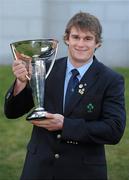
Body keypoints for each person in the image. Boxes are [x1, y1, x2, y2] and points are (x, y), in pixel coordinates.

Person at [4, 12, 126, 180]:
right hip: (39, 170)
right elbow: (12, 113)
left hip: (82, 172)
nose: (81, 44)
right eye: (76, 37)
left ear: (97, 43)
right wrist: (21, 82)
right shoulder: (45, 68)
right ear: (67, 39)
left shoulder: (110, 79)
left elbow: (114, 130)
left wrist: (65, 125)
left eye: (88, 38)